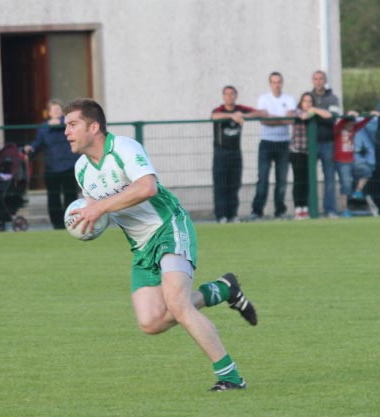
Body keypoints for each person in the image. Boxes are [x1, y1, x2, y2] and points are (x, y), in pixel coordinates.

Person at [63, 98, 258, 392]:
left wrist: (99, 208)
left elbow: (147, 187)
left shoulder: (125, 149)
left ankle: (231, 378)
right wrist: (87, 218)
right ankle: (223, 289)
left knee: (178, 305)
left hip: (169, 227)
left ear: (94, 127)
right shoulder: (81, 169)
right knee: (151, 322)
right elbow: (96, 203)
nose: (66, 131)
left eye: (72, 124)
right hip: (141, 246)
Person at [211, 85, 266, 223]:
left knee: (235, 184)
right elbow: (214, 116)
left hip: (235, 153)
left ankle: (232, 214)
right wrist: (232, 116)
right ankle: (221, 215)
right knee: (221, 185)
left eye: (232, 94)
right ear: (223, 96)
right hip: (221, 153)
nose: (229, 97)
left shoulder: (240, 109)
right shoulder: (219, 110)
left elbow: (262, 113)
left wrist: (243, 115)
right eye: (227, 94)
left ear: (236, 96)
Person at [24, 99, 79, 229]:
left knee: (70, 196)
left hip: (69, 166)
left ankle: (72, 223)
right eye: (54, 110)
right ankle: (58, 225)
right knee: (53, 198)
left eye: (58, 110)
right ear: (49, 112)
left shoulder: (68, 124)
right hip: (51, 168)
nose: (56, 112)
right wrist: (30, 148)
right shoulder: (44, 129)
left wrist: (61, 122)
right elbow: (37, 143)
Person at [250, 72, 296, 220]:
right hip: (266, 143)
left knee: (281, 180)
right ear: (270, 84)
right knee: (263, 179)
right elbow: (264, 121)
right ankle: (257, 211)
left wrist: (273, 118)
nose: (277, 85)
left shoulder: (289, 99)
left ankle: (280, 211)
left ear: (282, 83)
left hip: (283, 143)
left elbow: (290, 120)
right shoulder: (264, 99)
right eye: (274, 82)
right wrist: (281, 119)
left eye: (279, 82)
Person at [289, 92, 332, 219]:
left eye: (310, 101)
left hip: (310, 153)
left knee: (308, 181)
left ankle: (305, 208)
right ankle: (298, 208)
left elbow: (328, 115)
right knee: (298, 181)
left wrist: (313, 110)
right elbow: (299, 116)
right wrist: (308, 113)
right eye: (305, 101)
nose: (307, 104)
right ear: (301, 102)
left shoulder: (314, 113)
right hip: (297, 151)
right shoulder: (296, 112)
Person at [310, 70, 341, 218]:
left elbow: (332, 117)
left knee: (329, 177)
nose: (318, 81)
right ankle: (311, 210)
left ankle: (330, 209)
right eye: (315, 79)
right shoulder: (308, 98)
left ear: (325, 80)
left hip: (328, 142)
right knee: (310, 177)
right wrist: (323, 113)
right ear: (312, 81)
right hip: (311, 143)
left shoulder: (333, 98)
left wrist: (316, 112)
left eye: (321, 79)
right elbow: (303, 112)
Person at [333, 111, 372, 217]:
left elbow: (363, 123)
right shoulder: (339, 130)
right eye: (349, 124)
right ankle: (345, 209)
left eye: (352, 124)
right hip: (341, 161)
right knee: (345, 185)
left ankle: (358, 190)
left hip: (352, 160)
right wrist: (346, 117)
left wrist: (370, 115)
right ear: (345, 123)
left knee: (367, 171)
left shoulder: (354, 129)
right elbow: (339, 124)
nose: (351, 126)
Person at [353, 114, 379, 199]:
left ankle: (358, 191)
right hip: (353, 157)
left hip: (364, 158)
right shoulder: (361, 127)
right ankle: (357, 192)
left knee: (368, 171)